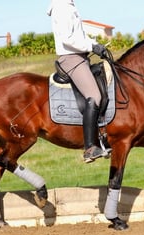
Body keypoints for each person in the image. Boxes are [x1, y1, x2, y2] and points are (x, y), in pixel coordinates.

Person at [47, 0, 109, 163]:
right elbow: (68, 39)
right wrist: (91, 46)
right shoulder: (61, 8)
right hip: (71, 59)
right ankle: (90, 147)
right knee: (95, 96)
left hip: (79, 57)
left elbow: (79, 35)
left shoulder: (68, 6)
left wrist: (96, 45)